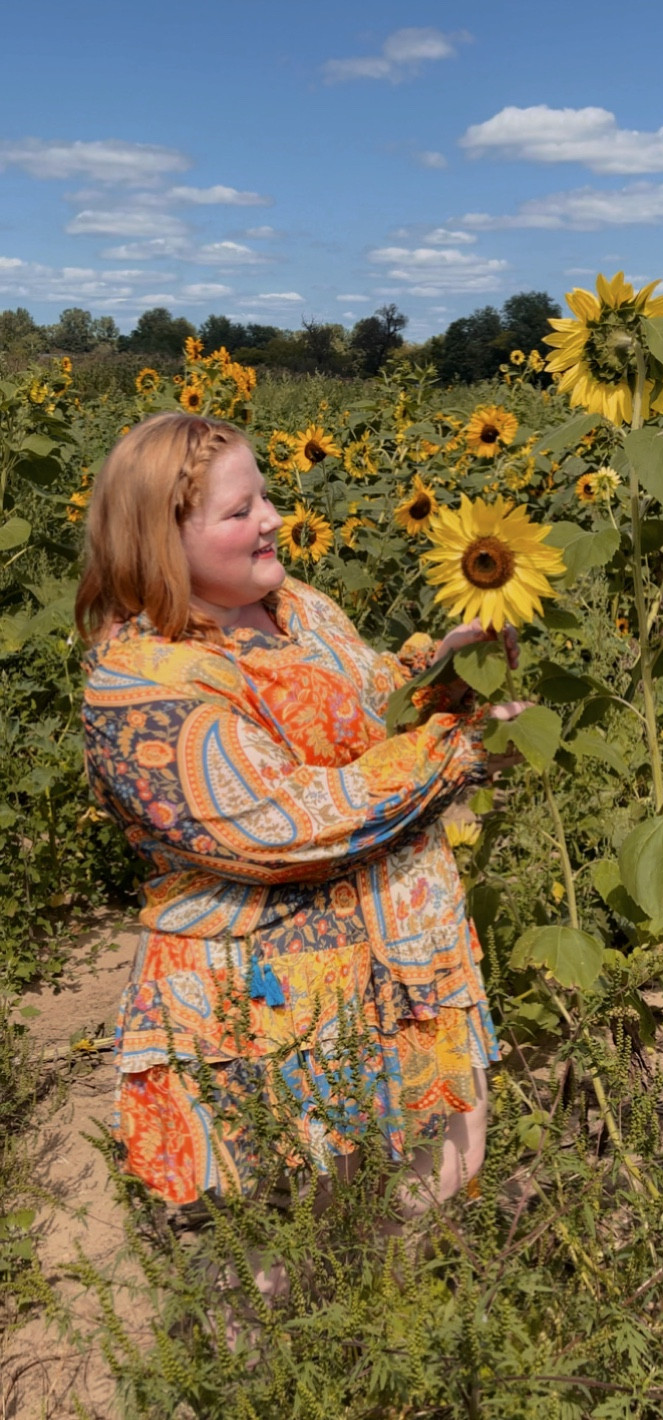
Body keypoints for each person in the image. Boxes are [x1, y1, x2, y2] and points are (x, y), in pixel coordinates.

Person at [76, 410, 527, 1226]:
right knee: (279, 1240)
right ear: (158, 540)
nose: (273, 520)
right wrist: (456, 750)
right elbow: (276, 825)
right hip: (267, 1004)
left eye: (266, 498)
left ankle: (382, 1341)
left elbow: (367, 706)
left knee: (440, 1172)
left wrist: (447, 674)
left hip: (400, 961)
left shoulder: (297, 606)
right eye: (239, 511)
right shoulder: (140, 682)